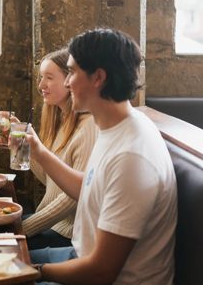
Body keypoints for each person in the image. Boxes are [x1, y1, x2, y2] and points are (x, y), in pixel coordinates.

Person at [28, 28, 177, 285]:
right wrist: (39, 152)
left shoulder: (132, 157)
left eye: (72, 72)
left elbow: (101, 271)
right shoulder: (113, 125)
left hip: (108, 277)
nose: (66, 83)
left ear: (98, 77)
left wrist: (33, 272)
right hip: (78, 253)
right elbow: (91, 187)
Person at [21, 49, 97, 250]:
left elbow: (74, 197)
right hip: (53, 225)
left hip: (68, 234)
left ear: (70, 80)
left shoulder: (88, 127)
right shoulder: (62, 119)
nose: (41, 85)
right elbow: (50, 180)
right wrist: (26, 149)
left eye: (49, 78)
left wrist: (25, 228)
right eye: (40, 78)